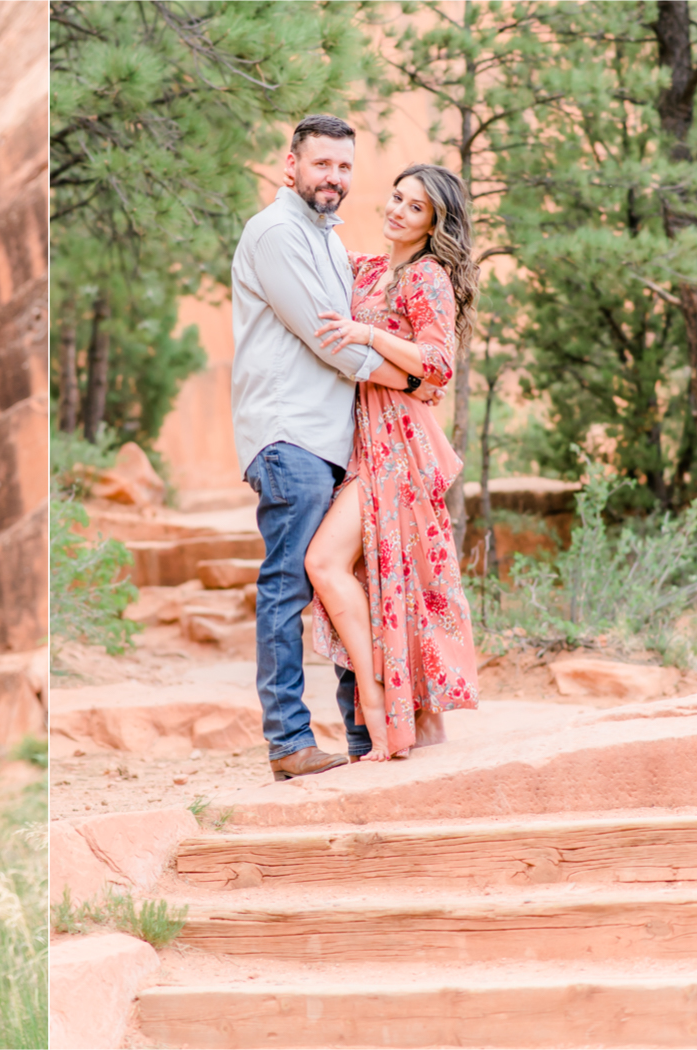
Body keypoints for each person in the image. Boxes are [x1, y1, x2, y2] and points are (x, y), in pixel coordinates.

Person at [230, 114, 443, 782]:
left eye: (345, 167)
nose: (335, 179)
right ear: (290, 164)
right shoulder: (277, 232)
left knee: (347, 579)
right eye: (322, 165)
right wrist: (411, 379)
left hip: (335, 442)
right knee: (290, 582)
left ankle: (364, 729)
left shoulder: (329, 239)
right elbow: (333, 343)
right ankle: (290, 741)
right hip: (290, 435)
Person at [307, 163, 482, 760]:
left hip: (399, 446)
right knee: (376, 580)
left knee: (329, 562)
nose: (397, 211)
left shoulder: (426, 275)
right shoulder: (375, 268)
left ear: (434, 224)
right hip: (363, 439)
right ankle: (389, 720)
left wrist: (368, 336)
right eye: (397, 198)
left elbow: (437, 364)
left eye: (414, 207)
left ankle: (385, 713)